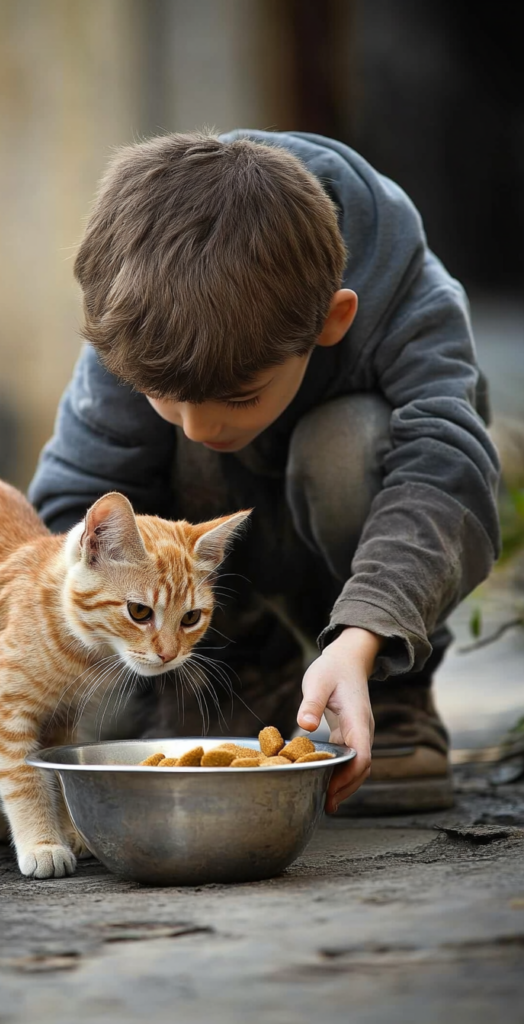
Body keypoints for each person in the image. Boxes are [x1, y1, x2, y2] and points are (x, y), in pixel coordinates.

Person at [28, 130, 500, 814]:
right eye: (168, 401)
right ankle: (240, 683)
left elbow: (447, 473)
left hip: (354, 578)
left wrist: (366, 637)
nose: (199, 428)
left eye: (239, 397)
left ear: (334, 320)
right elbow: (70, 510)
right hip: (195, 628)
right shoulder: (144, 304)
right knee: (79, 738)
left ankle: (386, 695)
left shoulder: (400, 285)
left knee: (346, 444)